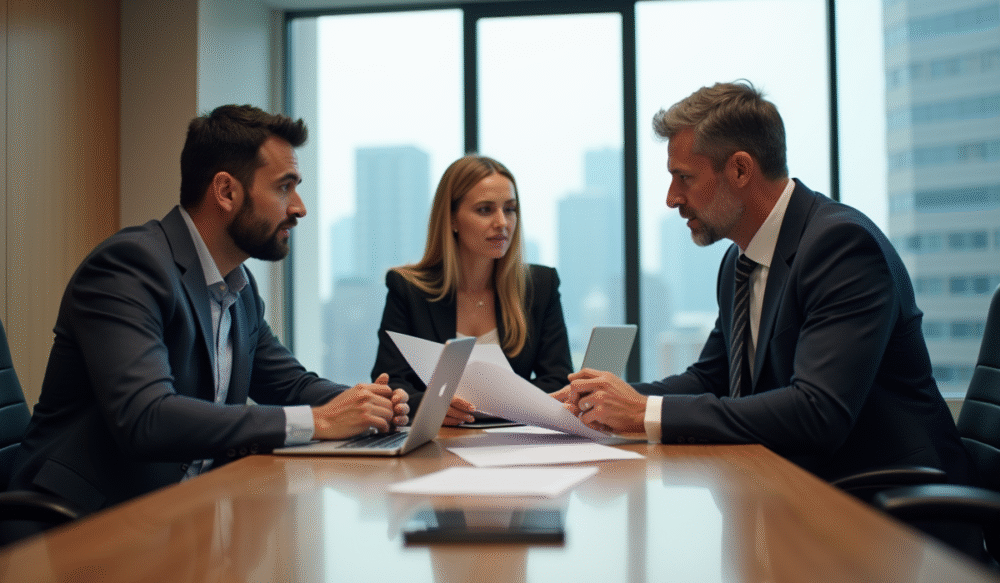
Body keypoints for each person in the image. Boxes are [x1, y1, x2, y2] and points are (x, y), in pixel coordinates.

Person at [560, 81, 974, 488]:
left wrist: (644, 411)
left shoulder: (841, 247)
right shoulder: (738, 261)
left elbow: (817, 412)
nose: (672, 198)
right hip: (794, 488)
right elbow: (711, 379)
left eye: (684, 177)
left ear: (740, 169)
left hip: (893, 511)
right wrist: (598, 400)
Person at [9, 105, 409, 517]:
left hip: (176, 515)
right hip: (72, 522)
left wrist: (366, 402)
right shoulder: (129, 266)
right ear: (226, 191)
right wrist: (318, 421)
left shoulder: (239, 286)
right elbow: (147, 417)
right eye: (284, 188)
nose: (299, 207)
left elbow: (289, 385)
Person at [372, 154, 572, 426]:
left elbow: (559, 381)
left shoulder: (540, 285)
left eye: (510, 209)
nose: (502, 222)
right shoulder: (408, 288)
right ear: (452, 219)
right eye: (485, 210)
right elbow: (390, 383)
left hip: (517, 440)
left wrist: (497, 405)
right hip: (438, 444)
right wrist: (434, 404)